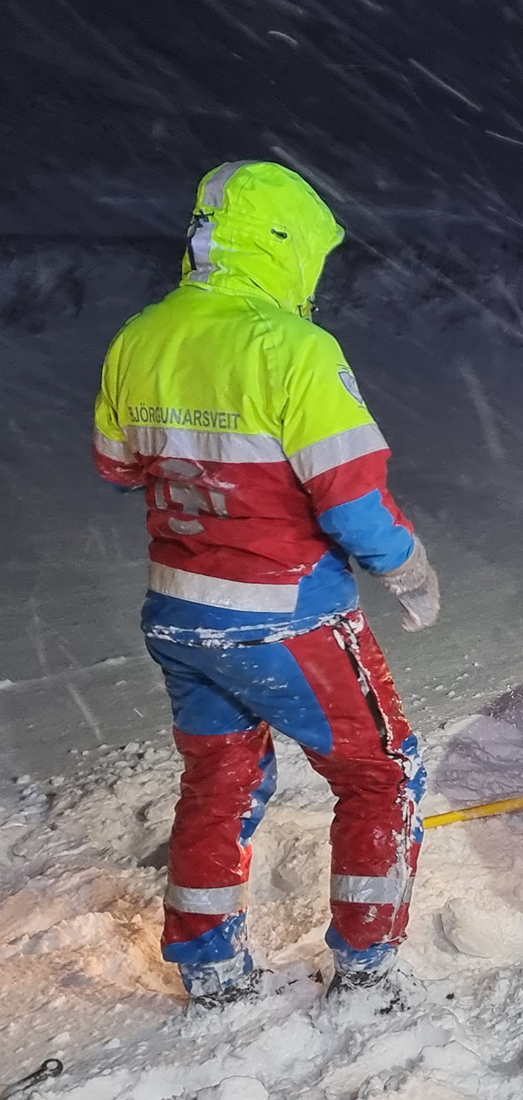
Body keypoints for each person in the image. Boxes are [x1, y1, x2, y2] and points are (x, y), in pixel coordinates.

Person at [92, 161, 440, 1009]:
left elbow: (116, 466)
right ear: (284, 246)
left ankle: (210, 966)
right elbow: (352, 499)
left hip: (179, 609)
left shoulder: (142, 337)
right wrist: (409, 568)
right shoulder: (293, 350)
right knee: (384, 774)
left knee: (221, 778)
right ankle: (366, 971)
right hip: (286, 616)